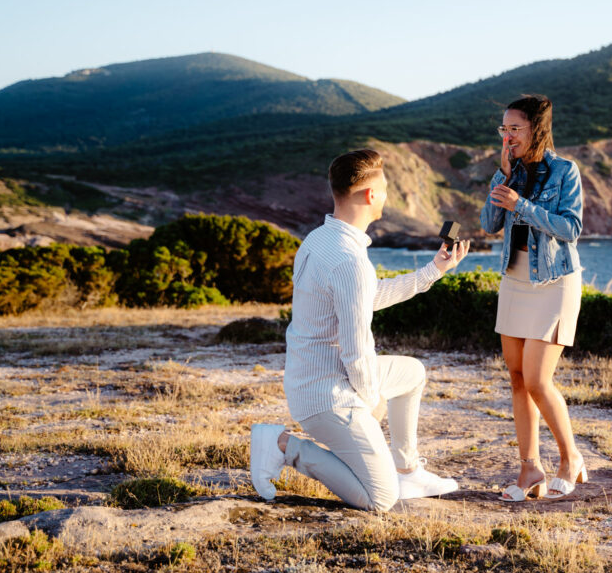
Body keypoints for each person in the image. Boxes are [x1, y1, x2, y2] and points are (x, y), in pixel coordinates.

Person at [250, 148, 471, 512]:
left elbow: (363, 297)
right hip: (327, 397)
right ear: (370, 195)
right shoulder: (349, 259)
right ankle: (285, 446)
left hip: (311, 380)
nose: (386, 196)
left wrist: (432, 271)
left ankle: (408, 469)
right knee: (381, 498)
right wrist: (368, 402)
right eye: (384, 189)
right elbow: (356, 350)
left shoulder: (317, 240)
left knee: (412, 373)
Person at [480, 94, 587, 501]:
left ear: (535, 129)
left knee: (540, 380)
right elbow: (490, 224)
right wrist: (502, 178)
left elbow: (571, 228)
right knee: (518, 378)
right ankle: (529, 470)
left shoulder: (564, 171)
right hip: (515, 280)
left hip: (554, 282)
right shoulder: (509, 171)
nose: (507, 137)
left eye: (514, 129)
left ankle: (570, 458)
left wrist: (521, 205)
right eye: (503, 129)